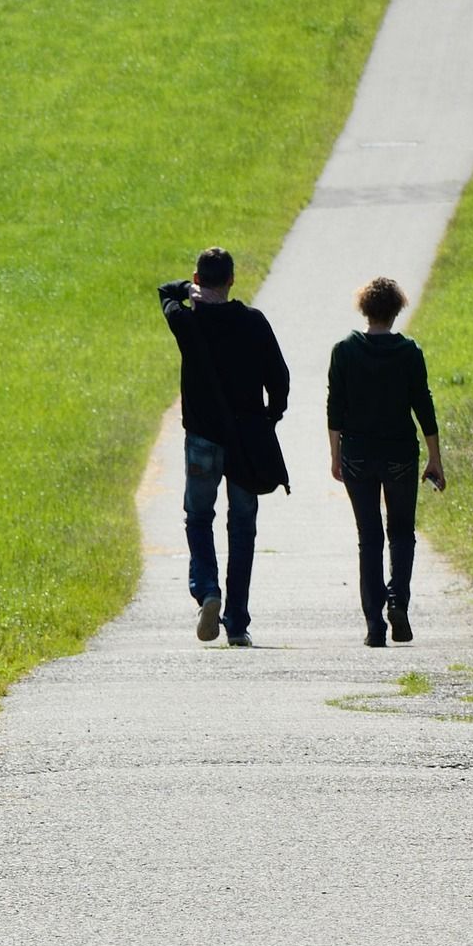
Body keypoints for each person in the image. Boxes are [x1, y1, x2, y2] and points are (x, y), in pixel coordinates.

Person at [159, 247, 290, 647]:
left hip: (201, 436)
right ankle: (236, 623)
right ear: (232, 280)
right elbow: (280, 379)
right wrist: (270, 416)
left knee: (199, 517)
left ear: (198, 281)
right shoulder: (253, 322)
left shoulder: (186, 320)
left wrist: (186, 289)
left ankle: (208, 591)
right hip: (246, 441)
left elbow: (165, 292)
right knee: (243, 528)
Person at [327, 276, 445, 647]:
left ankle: (374, 625)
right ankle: (399, 601)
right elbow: (423, 406)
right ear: (396, 310)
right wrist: (435, 458)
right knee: (401, 533)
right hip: (400, 455)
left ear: (364, 308)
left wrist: (335, 456)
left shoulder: (344, 350)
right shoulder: (409, 352)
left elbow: (335, 408)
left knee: (369, 538)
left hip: (358, 454)